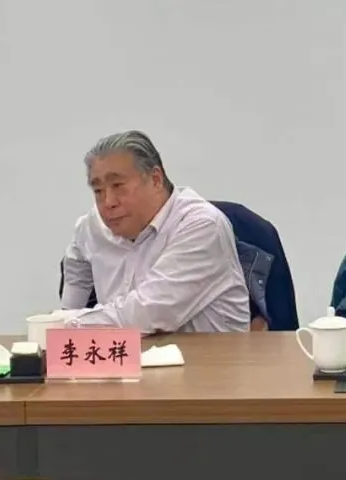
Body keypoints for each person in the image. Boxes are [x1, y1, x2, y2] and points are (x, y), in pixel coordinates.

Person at [60, 130, 250, 333]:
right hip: (128, 351)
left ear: (156, 179)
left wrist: (66, 323)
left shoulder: (203, 225)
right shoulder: (92, 226)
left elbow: (150, 314)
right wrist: (66, 318)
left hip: (212, 352)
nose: (108, 202)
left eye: (118, 185)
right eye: (98, 191)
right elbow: (76, 271)